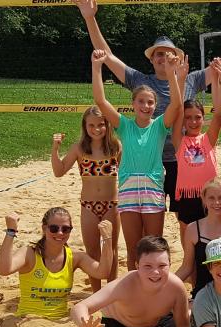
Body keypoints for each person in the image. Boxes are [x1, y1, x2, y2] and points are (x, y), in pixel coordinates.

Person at [76, 0, 221, 235]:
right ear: (151, 59)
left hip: (182, 160)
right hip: (148, 162)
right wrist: (89, 18)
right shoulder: (139, 80)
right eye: (157, 54)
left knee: (184, 218)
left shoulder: (192, 79)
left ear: (176, 58)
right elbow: (106, 55)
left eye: (167, 53)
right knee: (144, 219)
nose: (162, 57)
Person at [90, 48, 182, 270]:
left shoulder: (160, 125)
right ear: (134, 104)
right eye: (141, 101)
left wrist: (172, 76)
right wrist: (96, 67)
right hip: (129, 189)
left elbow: (177, 105)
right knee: (133, 249)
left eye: (150, 102)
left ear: (154, 106)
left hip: (152, 189)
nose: (146, 106)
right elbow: (100, 101)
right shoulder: (125, 125)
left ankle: (154, 293)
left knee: (153, 247)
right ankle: (135, 295)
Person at [53, 236, 193, 327]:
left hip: (156, 324)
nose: (155, 272)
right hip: (121, 326)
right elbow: (80, 307)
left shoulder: (176, 287)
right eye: (148, 266)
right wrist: (84, 324)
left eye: (162, 266)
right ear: (137, 265)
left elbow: (183, 325)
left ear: (169, 264)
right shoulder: (124, 285)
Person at [0, 208, 115, 319]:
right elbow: (4, 270)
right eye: (54, 228)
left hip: (59, 324)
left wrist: (107, 239)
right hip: (28, 319)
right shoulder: (29, 253)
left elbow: (102, 272)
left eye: (65, 229)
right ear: (44, 228)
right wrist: (11, 232)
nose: (60, 233)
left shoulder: (75, 256)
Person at [50, 106, 122, 291]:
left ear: (107, 125)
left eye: (101, 124)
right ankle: (97, 292)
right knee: (92, 251)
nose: (96, 129)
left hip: (111, 204)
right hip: (88, 205)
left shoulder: (115, 147)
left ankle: (111, 290)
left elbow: (128, 171)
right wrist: (55, 149)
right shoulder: (79, 149)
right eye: (91, 125)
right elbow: (59, 172)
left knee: (111, 249)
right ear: (85, 126)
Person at [171, 58, 221, 239]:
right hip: (187, 197)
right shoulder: (179, 140)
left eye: (197, 117)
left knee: (210, 234)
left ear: (203, 119)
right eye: (188, 118)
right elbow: (178, 109)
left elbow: (219, 113)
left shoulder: (207, 139)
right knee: (188, 235)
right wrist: (180, 79)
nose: (193, 122)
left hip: (209, 195)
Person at [175, 178, 221, 297]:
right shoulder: (193, 229)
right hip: (204, 294)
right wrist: (165, 285)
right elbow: (187, 267)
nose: (217, 203)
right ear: (203, 199)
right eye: (211, 198)